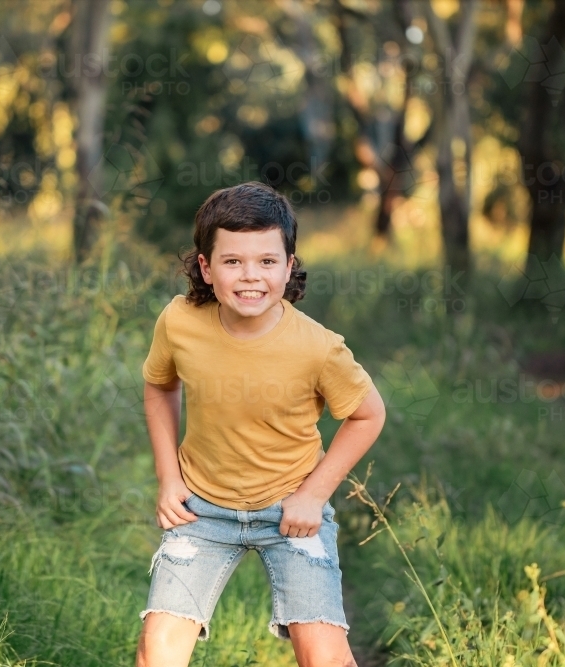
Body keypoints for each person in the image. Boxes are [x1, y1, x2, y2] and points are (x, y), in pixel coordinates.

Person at [135, 181, 387, 667]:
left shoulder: (318, 347)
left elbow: (368, 413)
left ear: (289, 266)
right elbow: (160, 385)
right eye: (233, 261)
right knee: (156, 651)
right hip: (200, 510)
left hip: (290, 510)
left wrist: (313, 496)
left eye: (267, 262)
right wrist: (168, 478)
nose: (251, 276)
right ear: (206, 268)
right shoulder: (179, 321)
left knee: (325, 656)